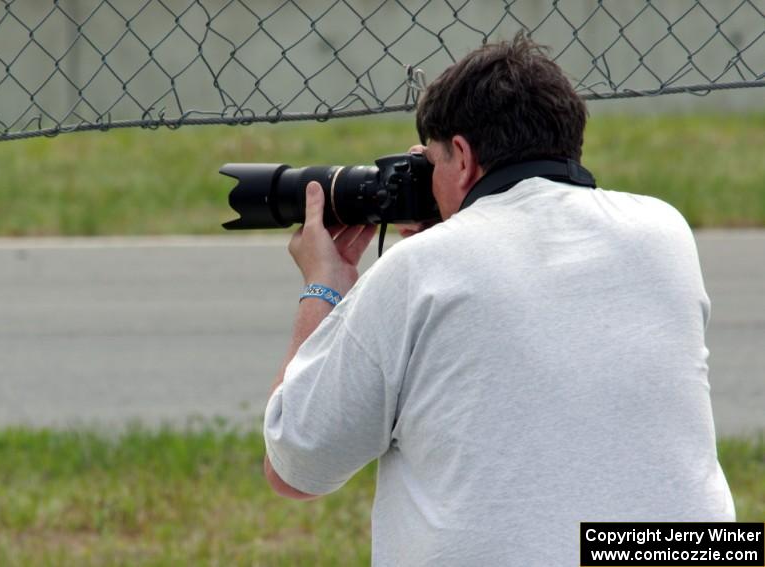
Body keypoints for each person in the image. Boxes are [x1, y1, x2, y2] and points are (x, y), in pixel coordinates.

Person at [262, 33, 735, 565]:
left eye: (432, 163)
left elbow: (296, 466)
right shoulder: (664, 231)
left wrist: (325, 286)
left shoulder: (419, 269)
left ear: (460, 157)